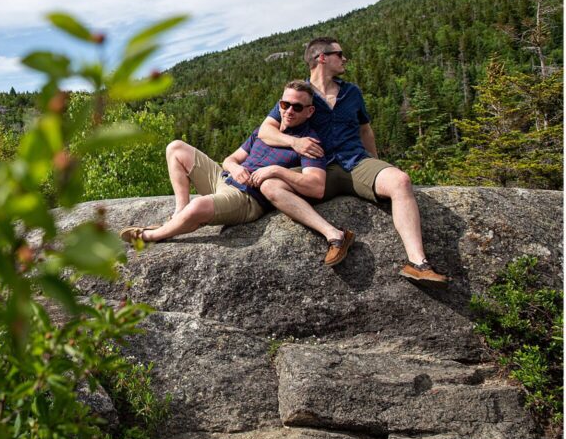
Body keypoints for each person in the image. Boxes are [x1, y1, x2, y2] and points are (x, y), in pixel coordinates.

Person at [257, 37, 448, 286]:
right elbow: (265, 132)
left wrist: (377, 167)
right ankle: (334, 236)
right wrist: (295, 143)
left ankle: (418, 263)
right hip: (318, 168)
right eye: (340, 54)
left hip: (357, 162)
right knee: (271, 185)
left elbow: (365, 131)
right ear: (322, 58)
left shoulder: (352, 92)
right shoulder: (300, 95)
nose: (344, 59)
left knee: (400, 180)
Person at [120, 81, 356, 266]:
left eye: (297, 107)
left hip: (247, 198)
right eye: (285, 105)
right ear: (279, 105)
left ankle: (153, 236)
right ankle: (178, 212)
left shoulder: (308, 142)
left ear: (309, 111)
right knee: (175, 148)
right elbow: (229, 159)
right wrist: (236, 168)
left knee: (198, 206)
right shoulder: (265, 132)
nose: (289, 111)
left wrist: (275, 171)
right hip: (225, 180)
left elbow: (315, 186)